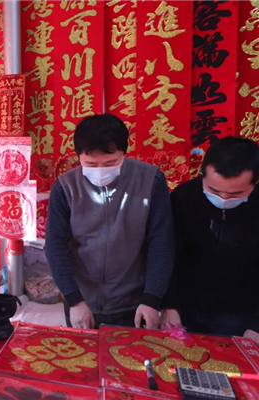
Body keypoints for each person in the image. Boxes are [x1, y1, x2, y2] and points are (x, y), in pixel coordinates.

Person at [45, 114, 175, 329]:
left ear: (124, 152)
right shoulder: (66, 187)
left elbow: (161, 242)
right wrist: (74, 299)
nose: (100, 170)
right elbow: (54, 246)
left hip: (135, 303)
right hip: (82, 302)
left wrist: (152, 298)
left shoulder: (150, 180)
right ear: (78, 155)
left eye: (110, 163)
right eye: (91, 164)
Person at [161, 137, 259, 344]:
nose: (224, 198)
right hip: (185, 310)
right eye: (214, 191)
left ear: (255, 182)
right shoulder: (184, 196)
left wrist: (256, 325)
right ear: (202, 174)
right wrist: (169, 304)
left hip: (242, 315)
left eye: (236, 194)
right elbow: (167, 251)